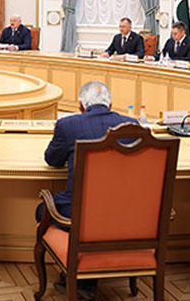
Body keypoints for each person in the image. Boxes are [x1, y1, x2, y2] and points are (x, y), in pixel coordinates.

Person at [39, 80, 138, 298]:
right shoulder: (133, 125)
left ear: (81, 106)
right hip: (124, 215)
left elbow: (52, 160)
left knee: (42, 210)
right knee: (101, 217)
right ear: (110, 104)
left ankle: (83, 274)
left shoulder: (68, 126)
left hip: (81, 213)